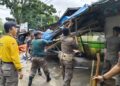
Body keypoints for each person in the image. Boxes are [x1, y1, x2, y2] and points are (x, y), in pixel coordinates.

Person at [0, 22, 23, 86]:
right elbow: (15, 56)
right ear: (10, 29)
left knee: (2, 84)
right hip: (10, 68)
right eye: (15, 28)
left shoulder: (1, 39)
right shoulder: (12, 40)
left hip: (2, 66)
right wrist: (20, 70)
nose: (16, 29)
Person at [59, 20, 79, 86]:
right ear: (69, 33)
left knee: (64, 72)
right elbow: (77, 47)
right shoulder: (71, 40)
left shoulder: (61, 37)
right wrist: (75, 38)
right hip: (68, 60)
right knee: (68, 75)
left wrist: (69, 26)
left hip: (62, 58)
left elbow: (65, 32)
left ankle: (66, 84)